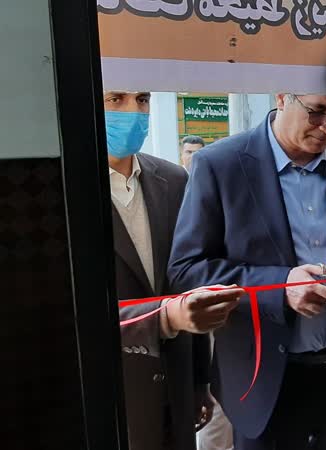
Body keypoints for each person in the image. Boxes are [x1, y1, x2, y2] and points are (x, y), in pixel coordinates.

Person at [167, 94, 326, 450]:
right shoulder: (221, 164)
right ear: (281, 96)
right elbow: (186, 270)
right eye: (317, 112)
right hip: (264, 382)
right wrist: (280, 287)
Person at [104, 90, 245, 450]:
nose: (133, 112)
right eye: (115, 99)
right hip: (115, 388)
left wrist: (199, 381)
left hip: (177, 386)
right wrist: (164, 317)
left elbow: (187, 282)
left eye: (142, 99)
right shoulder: (60, 185)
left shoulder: (172, 179)